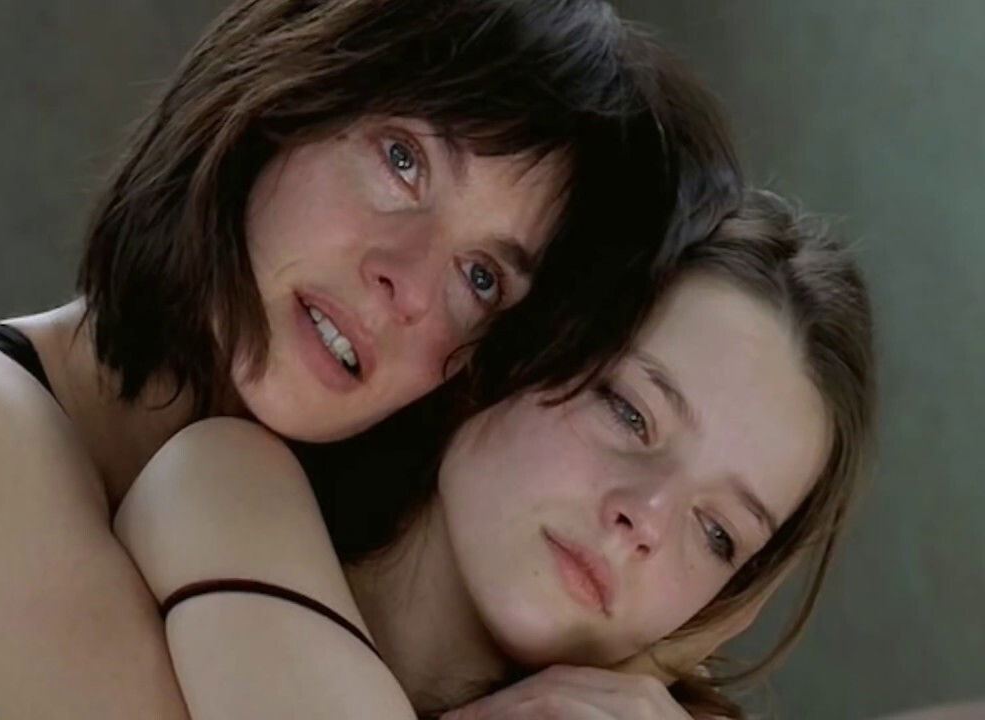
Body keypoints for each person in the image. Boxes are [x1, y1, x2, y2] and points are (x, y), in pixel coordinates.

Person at [0, 1, 742, 718]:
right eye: (404, 161)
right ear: (284, 100)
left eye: (481, 277)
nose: (406, 284)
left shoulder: (319, 530)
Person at [115, 188, 877, 719]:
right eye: (630, 412)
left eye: (717, 533)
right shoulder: (222, 486)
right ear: (524, 343)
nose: (644, 518)